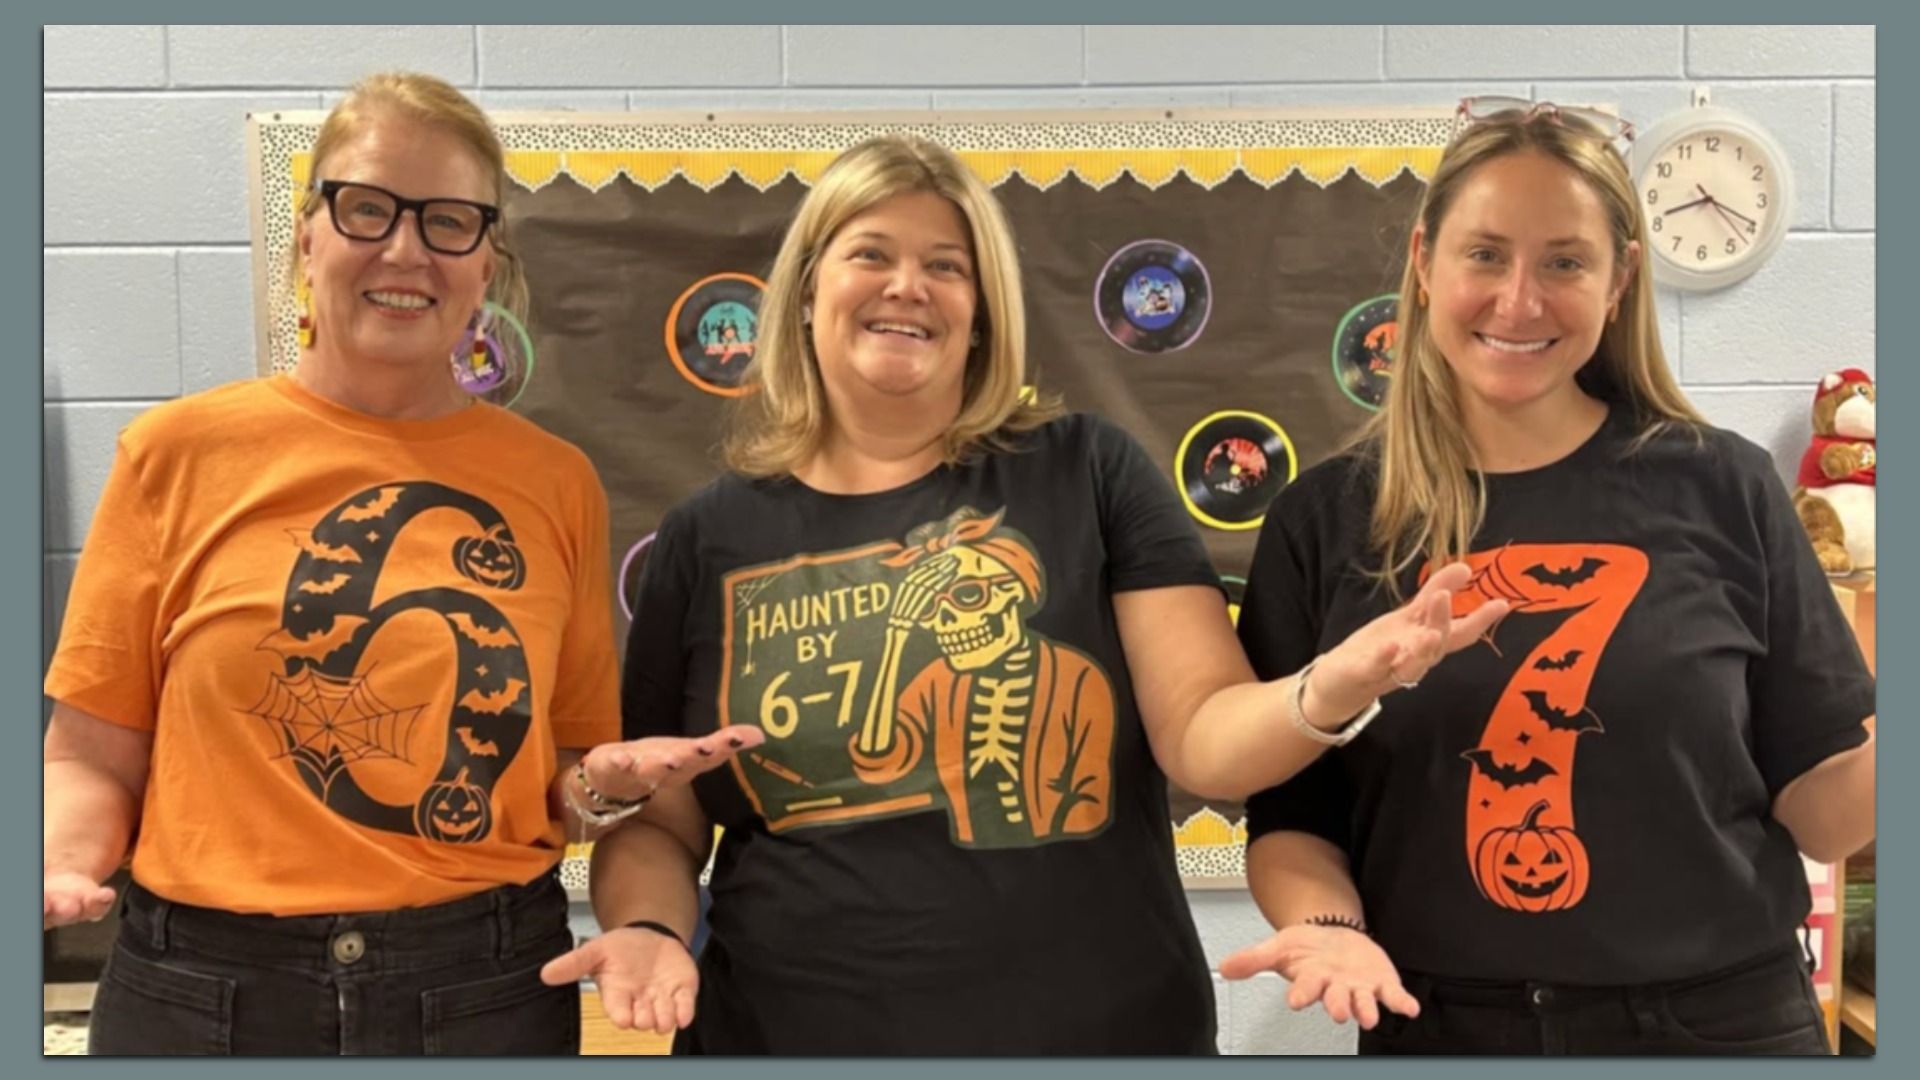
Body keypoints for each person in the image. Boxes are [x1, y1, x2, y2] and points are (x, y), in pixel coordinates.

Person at [541, 134, 1504, 1053]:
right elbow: (660, 823)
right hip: (787, 1036)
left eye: (947, 266)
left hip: (1101, 1036)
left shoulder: (1087, 471)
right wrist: (648, 930)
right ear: (804, 293)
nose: (907, 285)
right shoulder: (707, 536)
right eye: (870, 253)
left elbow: (1204, 740)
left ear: (983, 311)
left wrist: (1332, 686)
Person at [41, 71, 763, 1056]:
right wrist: (62, 862)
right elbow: (89, 757)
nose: (406, 249)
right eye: (368, 208)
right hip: (203, 992)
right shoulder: (173, 454)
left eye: (448, 221)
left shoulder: (556, 482)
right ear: (309, 236)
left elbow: (566, 776)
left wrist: (603, 789)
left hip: (480, 989)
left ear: (487, 262)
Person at [1221, 98, 1876, 1055]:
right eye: (1485, 254)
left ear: (1621, 280)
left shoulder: (1725, 486)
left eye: (1565, 262)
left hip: (1723, 1027)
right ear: (1424, 263)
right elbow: (1293, 818)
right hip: (1441, 1028)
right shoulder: (1325, 519)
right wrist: (1330, 931)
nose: (1519, 301)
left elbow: (1822, 816)